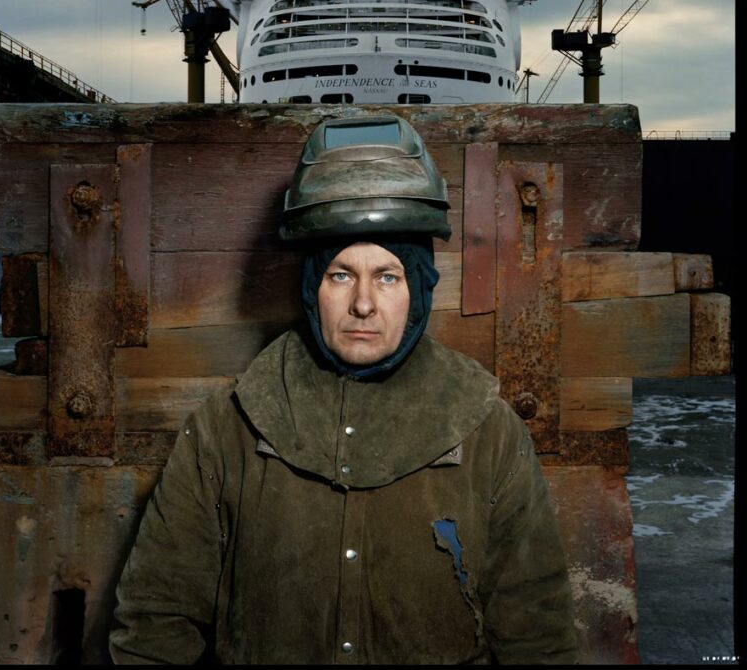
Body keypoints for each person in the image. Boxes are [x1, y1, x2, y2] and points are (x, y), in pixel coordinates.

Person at [109, 115, 577, 665]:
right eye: (339, 274)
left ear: (420, 290)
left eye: (387, 276)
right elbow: (156, 622)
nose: (362, 304)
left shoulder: (489, 431)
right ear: (311, 285)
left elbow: (537, 631)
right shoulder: (225, 426)